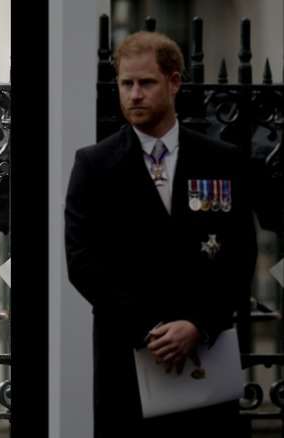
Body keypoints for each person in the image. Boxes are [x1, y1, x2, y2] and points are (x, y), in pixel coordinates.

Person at [64, 30, 258, 437]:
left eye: (146, 82)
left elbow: (241, 254)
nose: (134, 94)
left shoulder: (221, 159)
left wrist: (197, 325)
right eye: (126, 83)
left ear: (174, 82)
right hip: (129, 358)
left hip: (206, 354)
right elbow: (83, 262)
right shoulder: (94, 165)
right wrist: (149, 329)